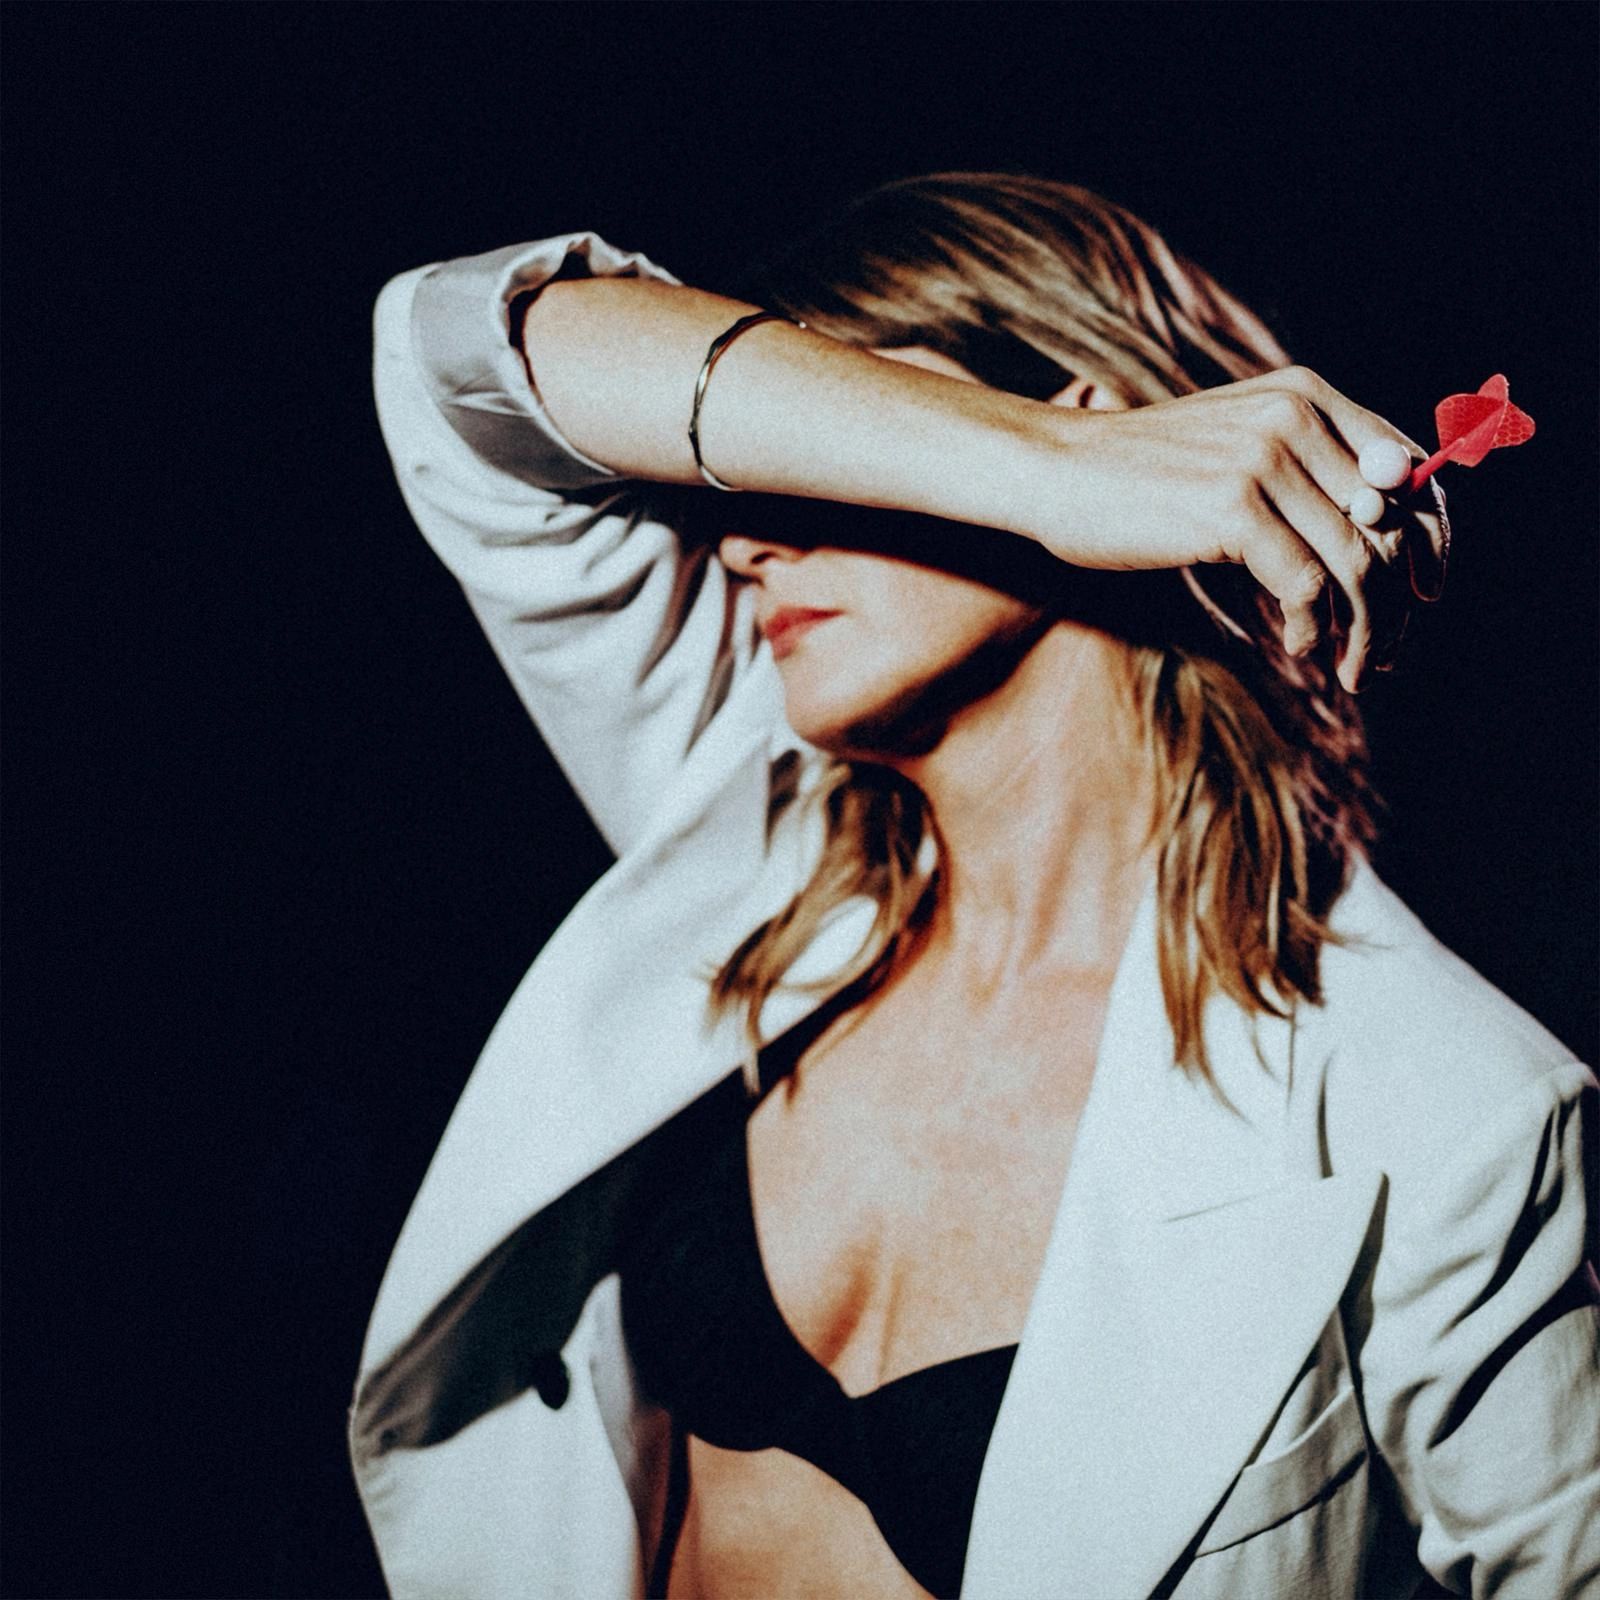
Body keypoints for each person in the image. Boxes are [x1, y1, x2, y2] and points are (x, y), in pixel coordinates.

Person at [348, 173, 1599, 1599]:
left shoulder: (1444, 1112)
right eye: (830, 448)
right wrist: (1050, 466)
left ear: (1116, 424)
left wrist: (1079, 465)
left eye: (826, 472)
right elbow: (459, 353)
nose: (745, 541)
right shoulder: (755, 836)